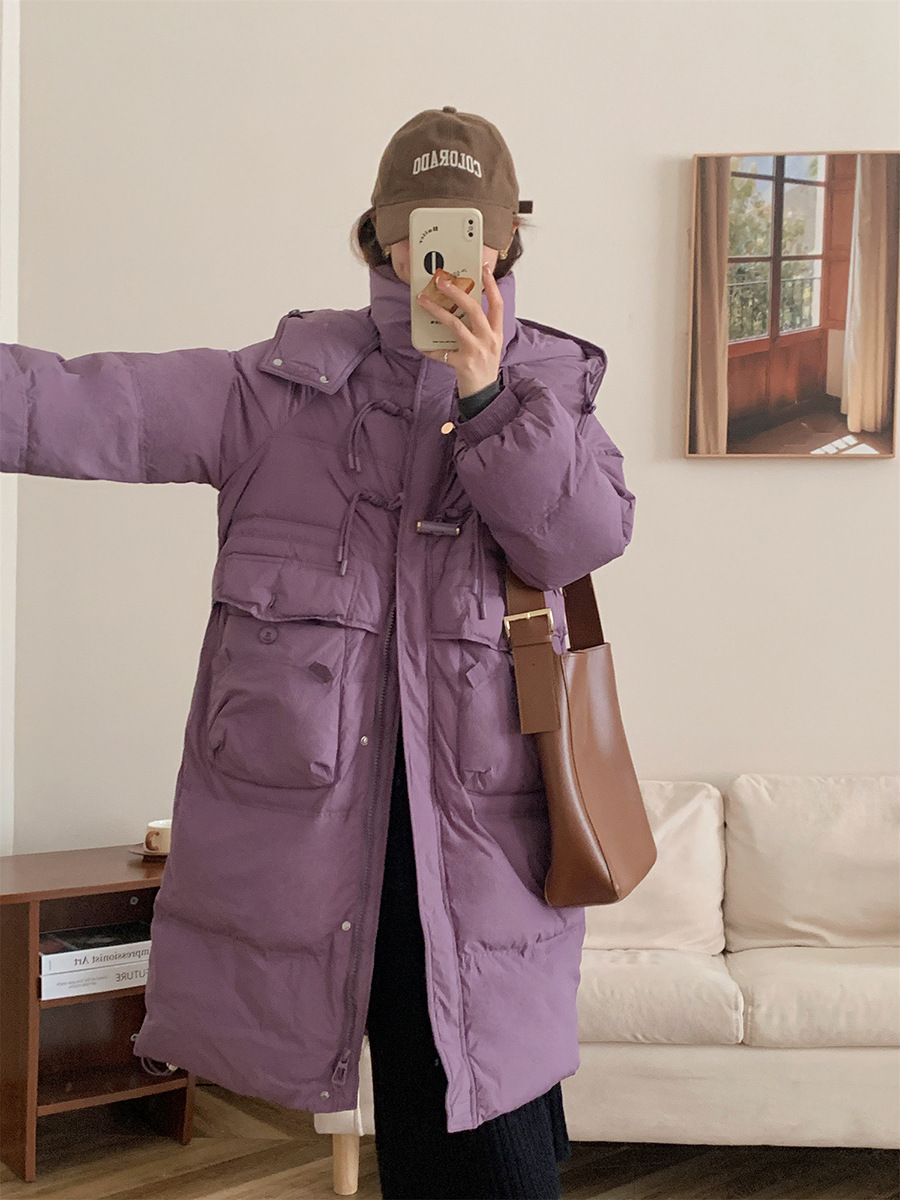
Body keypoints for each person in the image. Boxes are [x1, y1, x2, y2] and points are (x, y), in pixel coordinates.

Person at [0, 107, 636, 1199]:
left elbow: (582, 537)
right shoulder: (275, 391)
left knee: (495, 1148)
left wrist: (486, 398)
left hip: (486, 863)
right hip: (318, 860)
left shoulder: (551, 387)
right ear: (379, 237)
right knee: (436, 1154)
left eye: (468, 233)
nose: (444, 257)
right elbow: (76, 403)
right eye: (420, 230)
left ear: (506, 244)